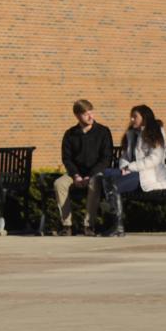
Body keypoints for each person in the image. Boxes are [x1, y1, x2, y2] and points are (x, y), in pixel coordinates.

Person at [101, 104, 166, 237]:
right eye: (131, 117)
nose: (132, 120)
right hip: (132, 173)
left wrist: (131, 167)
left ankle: (117, 226)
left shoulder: (155, 132)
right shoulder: (131, 134)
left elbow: (155, 159)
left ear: (144, 118)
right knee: (105, 175)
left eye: (135, 117)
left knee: (113, 186)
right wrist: (125, 167)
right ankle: (113, 224)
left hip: (148, 175)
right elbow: (125, 156)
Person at [53, 99, 113, 236]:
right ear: (77, 115)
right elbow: (67, 158)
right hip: (75, 174)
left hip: (94, 174)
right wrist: (75, 175)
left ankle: (89, 225)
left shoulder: (103, 132)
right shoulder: (70, 134)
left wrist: (90, 175)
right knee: (59, 184)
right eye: (86, 114)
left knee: (94, 183)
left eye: (91, 112)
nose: (91, 116)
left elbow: (106, 158)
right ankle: (66, 225)